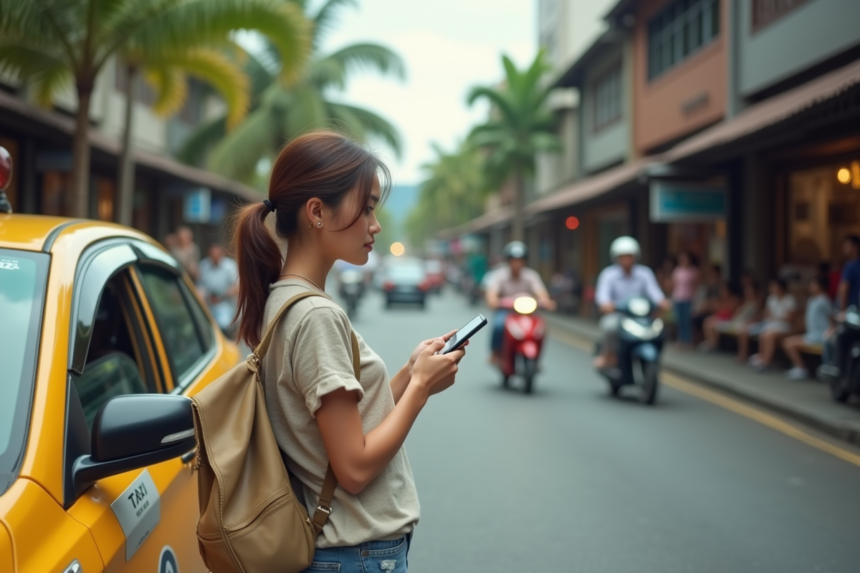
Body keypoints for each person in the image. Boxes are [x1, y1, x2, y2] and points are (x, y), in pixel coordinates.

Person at [231, 132, 466, 572]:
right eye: (368, 208)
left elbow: (341, 425)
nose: (376, 225)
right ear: (317, 212)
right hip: (355, 554)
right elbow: (354, 468)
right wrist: (420, 388)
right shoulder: (316, 316)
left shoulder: (284, 299)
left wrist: (409, 372)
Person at [593, 236, 671, 369]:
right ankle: (607, 354)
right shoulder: (608, 274)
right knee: (609, 326)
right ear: (616, 258)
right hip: (619, 315)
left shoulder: (645, 273)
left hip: (641, 316)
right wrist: (606, 304)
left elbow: (654, 292)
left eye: (629, 256)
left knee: (659, 328)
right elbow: (602, 296)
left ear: (635, 256)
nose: (626, 260)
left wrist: (662, 301)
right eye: (623, 256)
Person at [484, 241, 555, 364]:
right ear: (508, 261)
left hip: (527, 312)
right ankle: (496, 353)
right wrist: (494, 301)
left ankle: (537, 357)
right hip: (506, 311)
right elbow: (492, 295)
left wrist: (546, 301)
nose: (517, 263)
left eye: (520, 260)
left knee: (541, 327)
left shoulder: (531, 275)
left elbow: (541, 292)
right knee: (498, 325)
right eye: (514, 260)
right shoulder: (499, 275)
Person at [737, 278, 797, 370]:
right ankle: (761, 357)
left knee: (768, 335)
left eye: (774, 286)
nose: (772, 288)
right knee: (762, 333)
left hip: (785, 326)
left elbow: (790, 318)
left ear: (781, 287)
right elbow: (766, 313)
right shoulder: (771, 298)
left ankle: (766, 362)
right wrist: (774, 317)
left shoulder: (789, 299)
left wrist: (775, 317)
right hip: (771, 324)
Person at [782, 276, 833, 380]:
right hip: (811, 334)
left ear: (821, 286)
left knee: (788, 343)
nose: (811, 286)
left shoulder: (824, 300)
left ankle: (801, 368)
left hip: (820, 335)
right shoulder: (812, 299)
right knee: (787, 342)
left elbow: (831, 318)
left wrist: (830, 332)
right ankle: (800, 367)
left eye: (814, 284)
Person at [698, 282, 758, 351]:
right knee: (708, 321)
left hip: (734, 320)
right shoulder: (745, 302)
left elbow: (731, 312)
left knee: (712, 323)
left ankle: (715, 344)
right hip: (734, 320)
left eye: (749, 290)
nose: (747, 292)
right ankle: (712, 342)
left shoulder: (735, 300)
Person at [197, 244, 239, 336]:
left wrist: (221, 296)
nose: (215, 258)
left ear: (221, 254)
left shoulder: (230, 266)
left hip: (225, 303)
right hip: (208, 303)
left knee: (222, 324)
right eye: (212, 255)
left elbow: (237, 287)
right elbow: (200, 286)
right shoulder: (204, 266)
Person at [671, 251, 699, 348]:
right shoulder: (677, 270)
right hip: (678, 298)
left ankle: (688, 340)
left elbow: (696, 286)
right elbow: (674, 285)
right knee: (680, 320)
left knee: (687, 320)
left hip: (688, 299)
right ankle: (681, 339)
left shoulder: (693, 271)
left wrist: (695, 299)